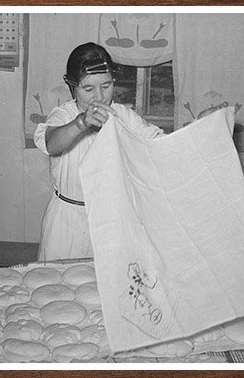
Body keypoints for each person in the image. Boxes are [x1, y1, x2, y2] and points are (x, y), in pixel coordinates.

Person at [33, 42, 163, 261]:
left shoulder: (123, 116)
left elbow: (159, 144)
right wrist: (81, 123)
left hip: (112, 220)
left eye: (106, 85)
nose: (99, 97)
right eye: (88, 89)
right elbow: (52, 143)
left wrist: (199, 126)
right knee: (59, 286)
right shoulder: (63, 115)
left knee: (108, 287)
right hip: (67, 221)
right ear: (72, 87)